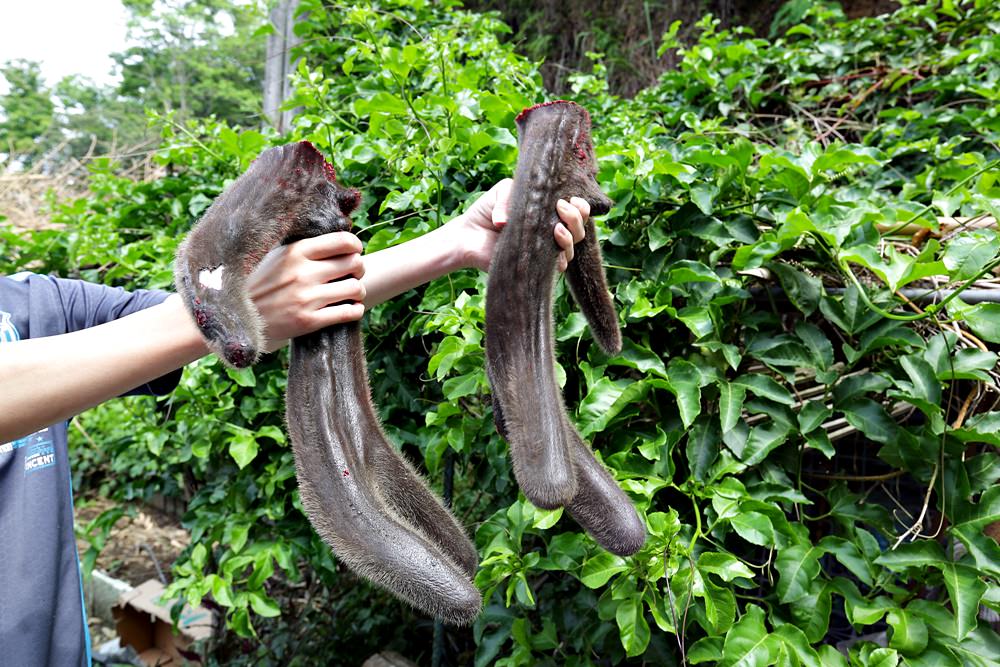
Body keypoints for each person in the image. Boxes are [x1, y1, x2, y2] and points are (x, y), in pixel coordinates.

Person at [0, 177, 592, 666]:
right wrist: (231, 304)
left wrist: (456, 243)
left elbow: (181, 326)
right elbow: (210, 319)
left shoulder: (32, 305)